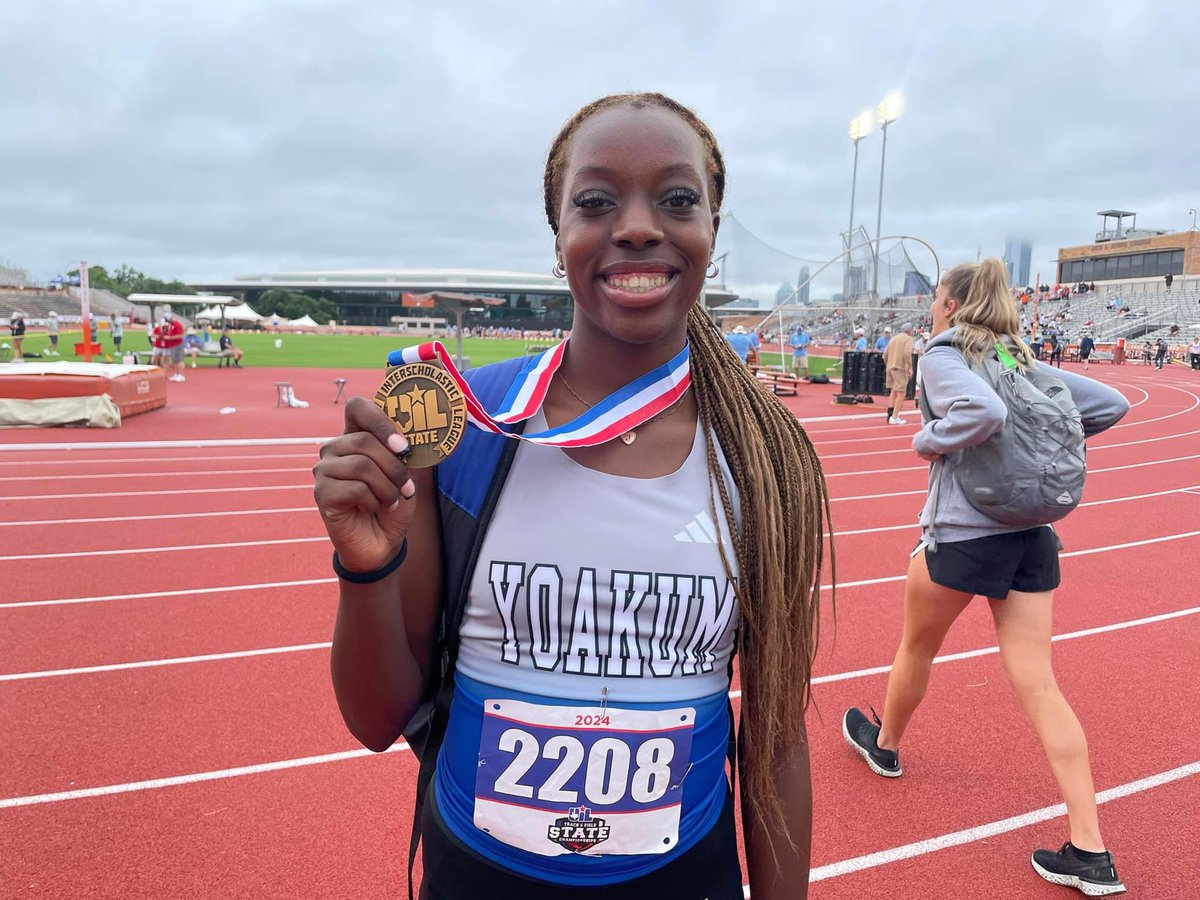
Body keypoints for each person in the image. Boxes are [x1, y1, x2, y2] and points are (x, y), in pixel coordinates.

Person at [313, 91, 830, 900]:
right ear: (558, 237)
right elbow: (378, 720)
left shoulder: (768, 457)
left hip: (683, 876)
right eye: (595, 201)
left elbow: (774, 741)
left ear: (711, 233)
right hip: (476, 876)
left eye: (677, 199)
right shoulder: (460, 424)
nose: (636, 225)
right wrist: (365, 566)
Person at [842, 258, 1129, 896]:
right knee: (1039, 683)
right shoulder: (1022, 360)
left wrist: (930, 441)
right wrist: (1040, 449)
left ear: (950, 305)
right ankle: (1090, 849)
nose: (933, 306)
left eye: (937, 296)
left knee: (916, 646)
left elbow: (980, 413)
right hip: (1032, 538)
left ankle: (885, 746)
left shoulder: (945, 355)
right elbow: (1111, 403)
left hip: (964, 538)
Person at [882, 322, 915, 424]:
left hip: (890, 367)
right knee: (901, 393)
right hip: (900, 367)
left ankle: (890, 414)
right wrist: (910, 367)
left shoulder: (893, 339)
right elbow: (907, 353)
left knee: (893, 391)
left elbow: (884, 355)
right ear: (909, 330)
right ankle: (895, 416)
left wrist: (889, 364)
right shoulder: (908, 339)